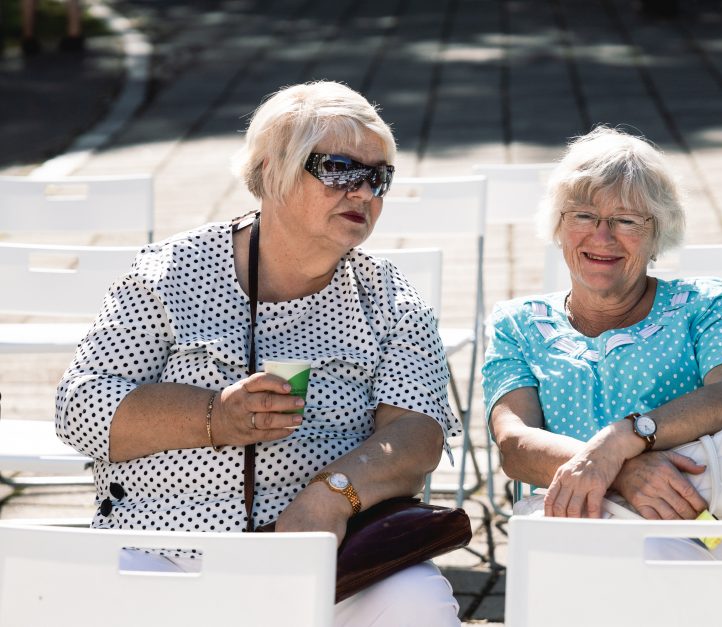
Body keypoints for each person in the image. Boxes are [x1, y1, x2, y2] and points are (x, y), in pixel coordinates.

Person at [56, 81, 462, 625]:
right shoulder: (167, 274)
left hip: (333, 558)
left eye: (378, 176)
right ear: (272, 171)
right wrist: (214, 417)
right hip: (163, 543)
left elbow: (418, 434)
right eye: (340, 169)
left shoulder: (388, 297)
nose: (364, 192)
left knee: (420, 603)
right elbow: (79, 408)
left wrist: (332, 495)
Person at [482, 127, 722, 546]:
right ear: (558, 226)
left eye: (626, 220)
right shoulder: (518, 324)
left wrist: (621, 440)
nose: (602, 236)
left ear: (657, 235)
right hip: (581, 539)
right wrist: (623, 471)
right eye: (583, 215)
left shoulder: (706, 303)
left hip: (700, 529)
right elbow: (515, 444)